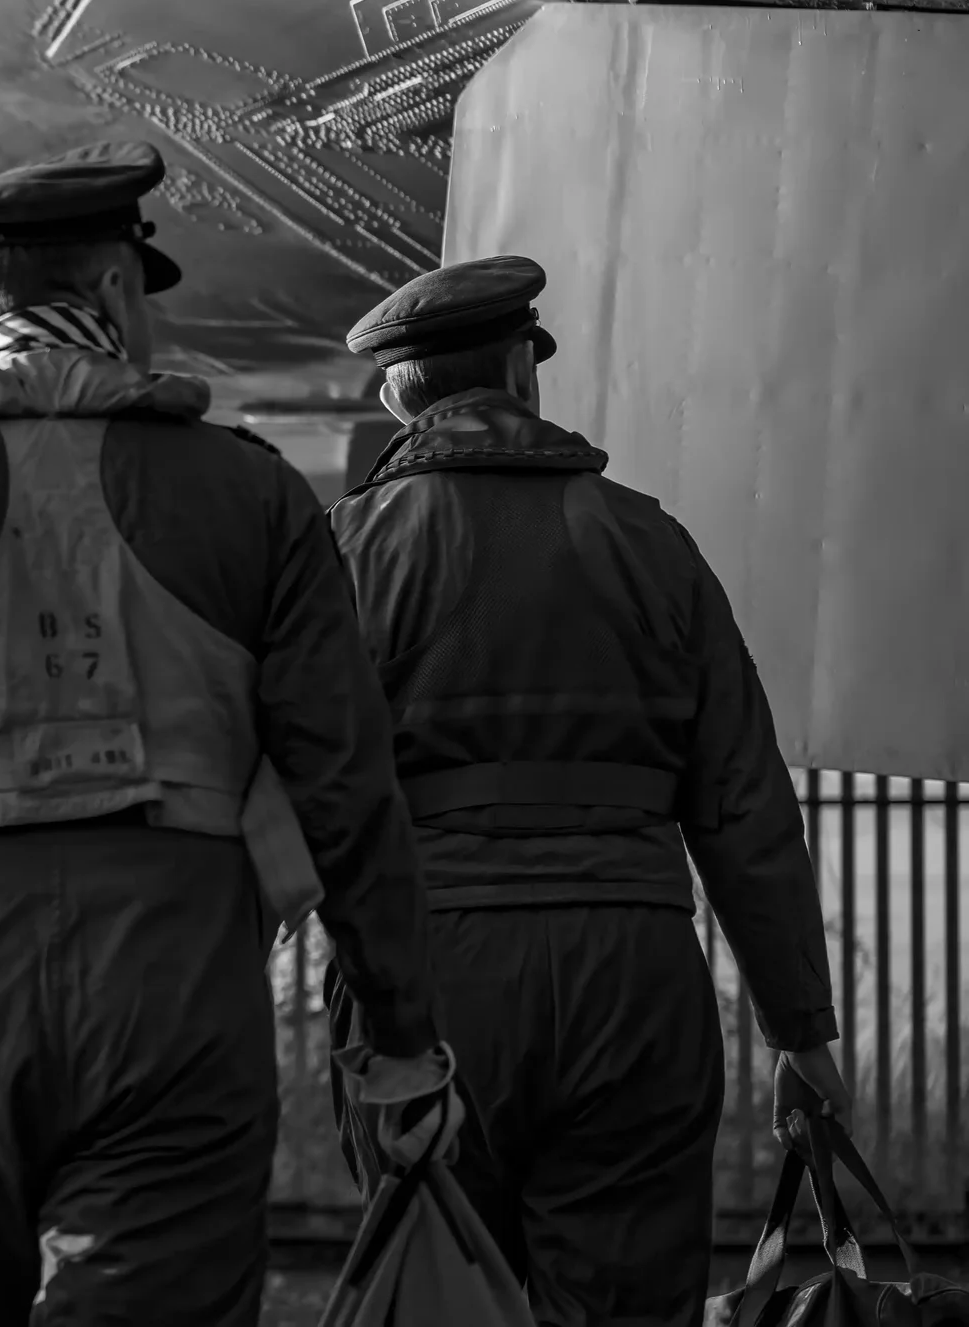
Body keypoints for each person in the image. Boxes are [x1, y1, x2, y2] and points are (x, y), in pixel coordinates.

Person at [0, 146, 449, 1326]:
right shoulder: (251, 493)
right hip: (176, 970)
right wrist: (399, 1037)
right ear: (114, 293)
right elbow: (346, 779)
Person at [327, 255, 846, 1326]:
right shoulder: (650, 543)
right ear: (523, 370)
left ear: (395, 393)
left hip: (427, 978)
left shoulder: (347, 554)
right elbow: (744, 800)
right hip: (631, 974)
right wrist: (801, 1029)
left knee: (431, 1292)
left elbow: (290, 783)